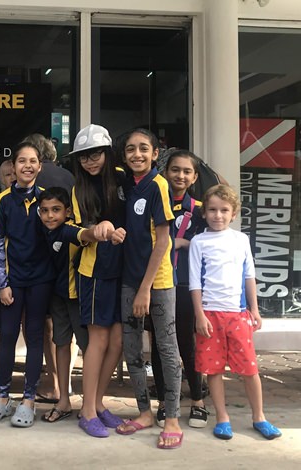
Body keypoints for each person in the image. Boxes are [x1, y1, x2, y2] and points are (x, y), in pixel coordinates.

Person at [189, 184, 282, 441]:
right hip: (210, 314)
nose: (218, 215)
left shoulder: (241, 240)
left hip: (238, 314)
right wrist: (199, 315)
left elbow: (249, 276)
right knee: (214, 369)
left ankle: (259, 416)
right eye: (212, 210)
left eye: (224, 210)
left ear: (234, 213)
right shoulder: (199, 242)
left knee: (250, 369)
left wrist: (254, 309)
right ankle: (222, 417)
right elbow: (195, 282)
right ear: (204, 212)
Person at [115, 128, 183, 450]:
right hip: (129, 279)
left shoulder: (159, 185)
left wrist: (145, 288)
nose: (137, 154)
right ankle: (144, 412)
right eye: (130, 149)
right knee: (131, 349)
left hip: (157, 282)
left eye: (144, 149)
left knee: (166, 348)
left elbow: (164, 240)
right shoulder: (130, 185)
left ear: (156, 154)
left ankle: (171, 417)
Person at [0, 141, 55, 428]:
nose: (27, 166)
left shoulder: (48, 199)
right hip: (12, 281)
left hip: (41, 280)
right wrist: (2, 283)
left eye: (32, 160)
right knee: (8, 335)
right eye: (21, 160)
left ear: (40, 165)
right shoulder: (3, 200)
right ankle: (1, 397)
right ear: (13, 166)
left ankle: (28, 399)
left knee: (35, 336)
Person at [37, 187, 122, 423]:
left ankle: (92, 404)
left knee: (90, 349)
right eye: (44, 211)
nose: (50, 216)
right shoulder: (50, 231)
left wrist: (104, 229)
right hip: (58, 296)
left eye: (56, 210)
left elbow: (86, 234)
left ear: (67, 211)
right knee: (61, 344)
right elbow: (86, 234)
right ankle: (63, 399)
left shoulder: (70, 227)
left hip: (81, 296)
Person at [69, 124, 127, 438]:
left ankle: (99, 403)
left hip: (124, 270)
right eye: (83, 157)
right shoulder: (78, 190)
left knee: (117, 341)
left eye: (95, 155)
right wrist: (98, 230)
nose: (90, 162)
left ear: (106, 153)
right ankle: (87, 410)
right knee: (98, 340)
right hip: (94, 270)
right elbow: (78, 230)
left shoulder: (123, 178)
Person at [150, 150, 208, 428]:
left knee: (187, 344)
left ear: (195, 177)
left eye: (187, 171)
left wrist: (190, 243)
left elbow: (213, 244)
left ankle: (197, 399)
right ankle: (164, 401)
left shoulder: (201, 210)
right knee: (161, 346)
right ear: (165, 172)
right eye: (175, 170)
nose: (180, 175)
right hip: (158, 283)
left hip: (185, 285)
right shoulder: (153, 202)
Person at [25, 133, 76, 403]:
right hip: (67, 261)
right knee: (64, 329)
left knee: (44, 328)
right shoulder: (70, 177)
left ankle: (53, 382)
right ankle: (64, 385)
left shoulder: (31, 180)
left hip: (37, 264)